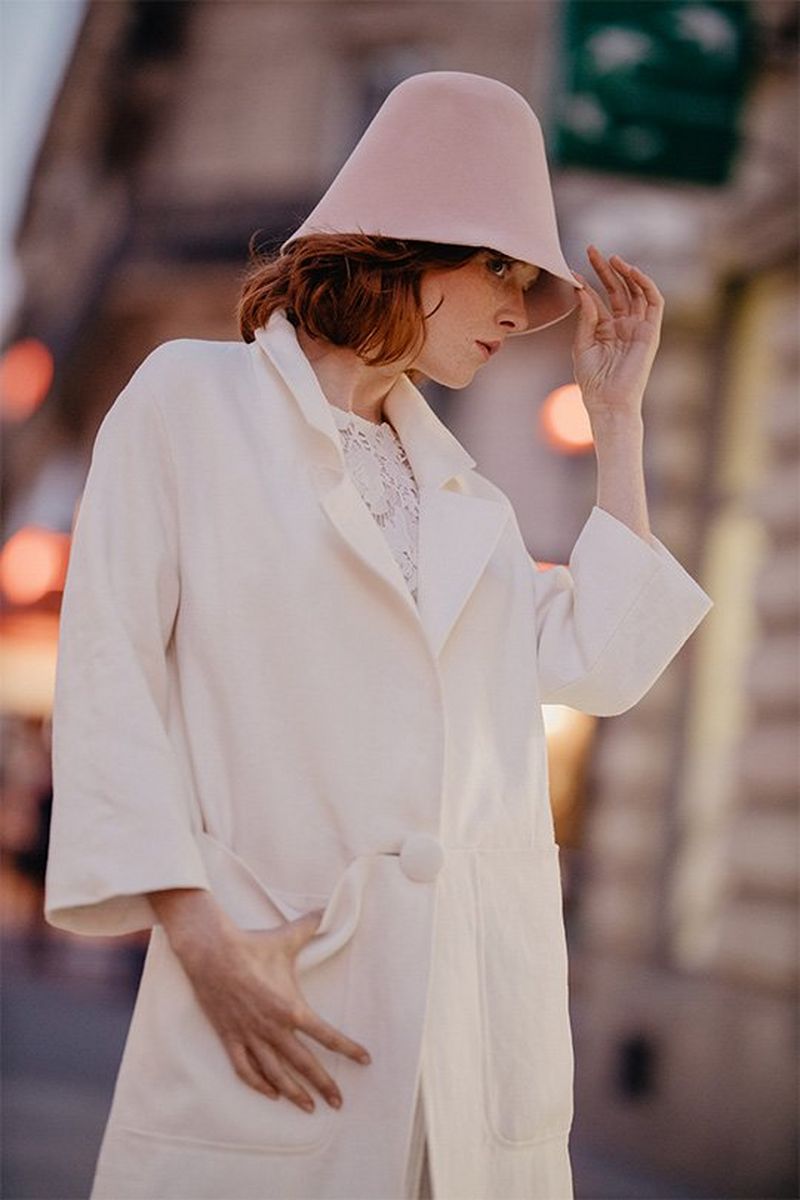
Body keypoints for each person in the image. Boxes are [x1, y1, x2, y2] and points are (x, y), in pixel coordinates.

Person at [44, 71, 713, 1200]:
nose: (521, 308)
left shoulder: (464, 496)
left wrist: (616, 427)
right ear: (406, 248)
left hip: (464, 1036)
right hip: (277, 985)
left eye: (529, 278)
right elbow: (108, 671)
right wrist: (200, 942)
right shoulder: (189, 401)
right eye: (497, 267)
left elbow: (596, 662)